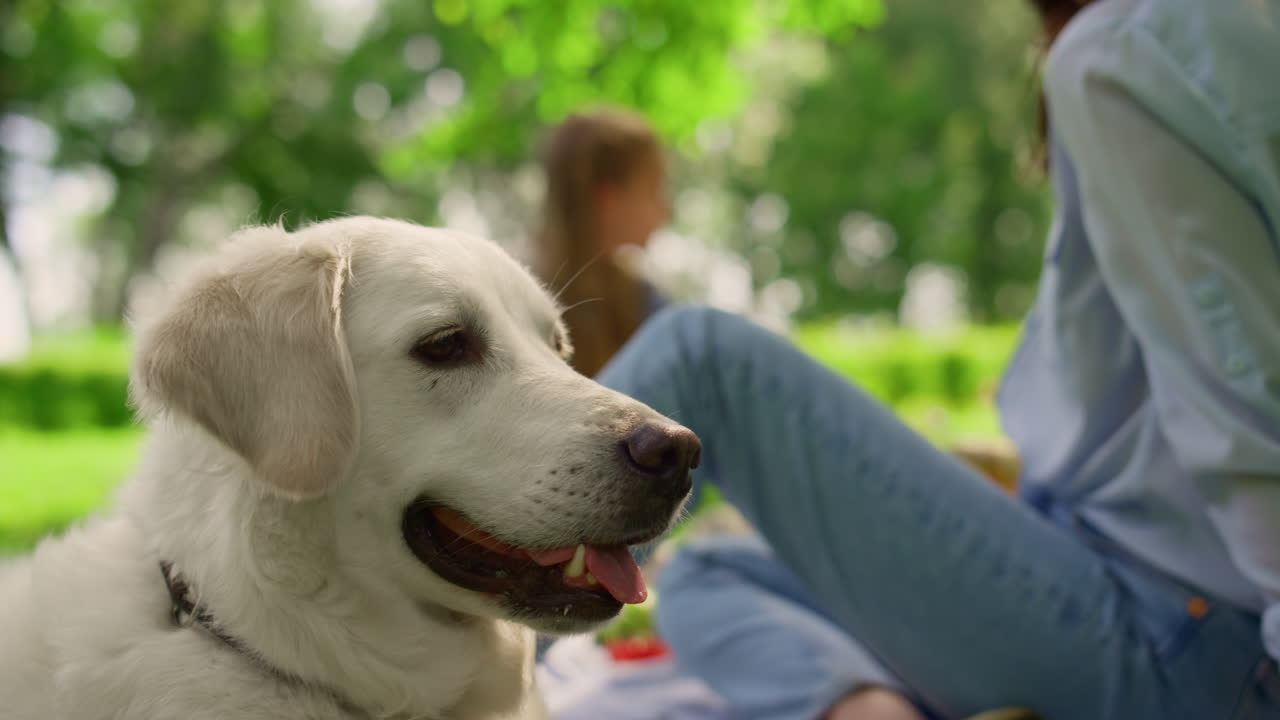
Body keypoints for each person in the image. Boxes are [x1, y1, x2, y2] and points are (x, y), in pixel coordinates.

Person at [592, 0, 1280, 718]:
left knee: (703, 360)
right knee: (709, 568)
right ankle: (868, 708)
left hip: (1187, 647)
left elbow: (1247, 404)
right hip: (1137, 587)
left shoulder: (1126, 44)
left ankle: (476, 632)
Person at [531, 107, 671, 378]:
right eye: (655, 190)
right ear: (608, 199)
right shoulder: (525, 297)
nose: (666, 210)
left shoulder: (643, 298)